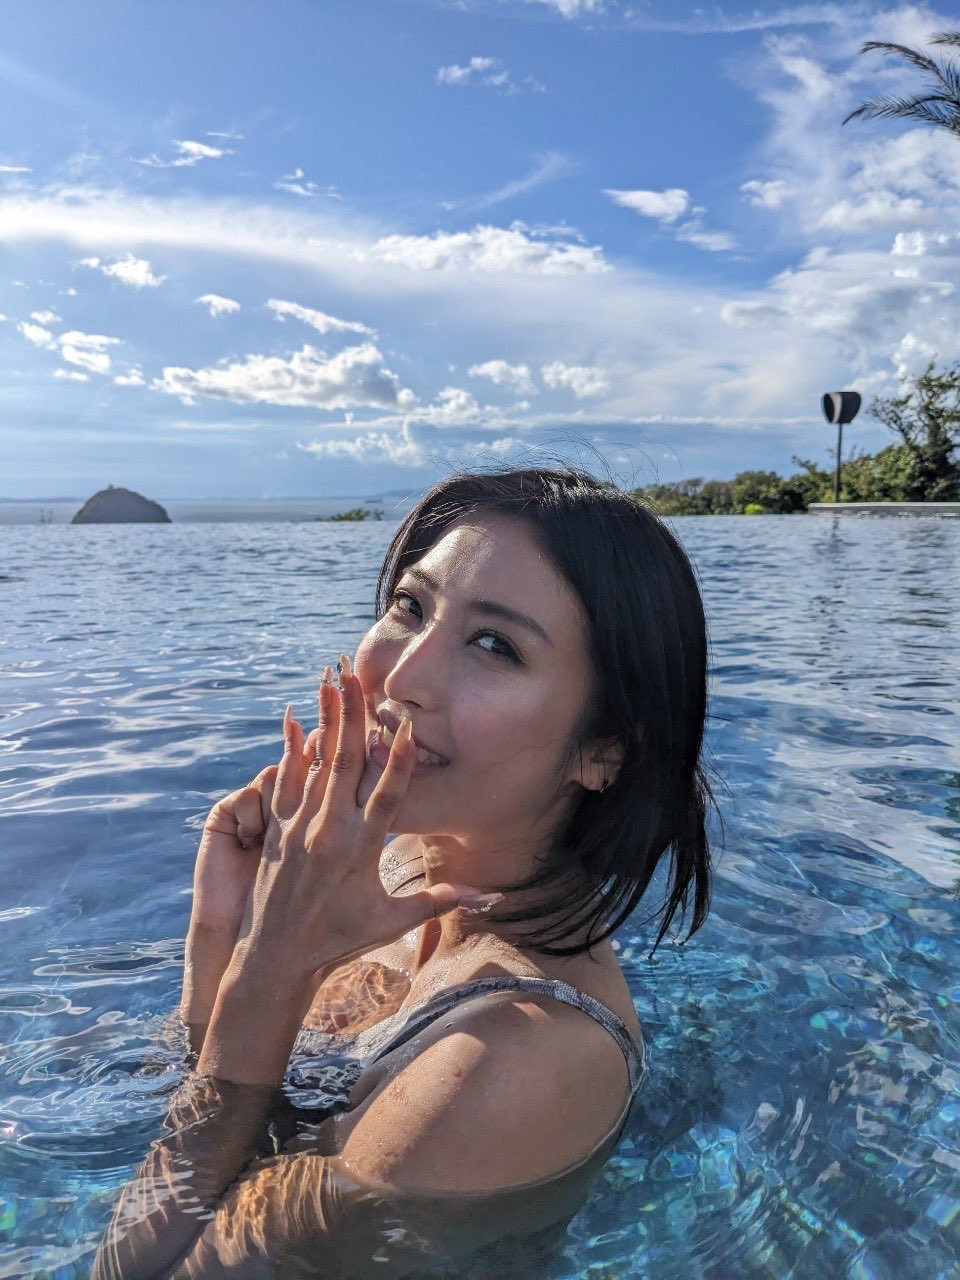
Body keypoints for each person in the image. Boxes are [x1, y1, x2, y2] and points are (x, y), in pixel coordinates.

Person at [93, 466, 712, 1279]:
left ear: (605, 751)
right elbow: (198, 1089)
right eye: (411, 606)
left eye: (495, 645)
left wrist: (271, 964)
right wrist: (221, 934)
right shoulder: (389, 868)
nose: (401, 678)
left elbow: (139, 1268)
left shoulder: (512, 1063)